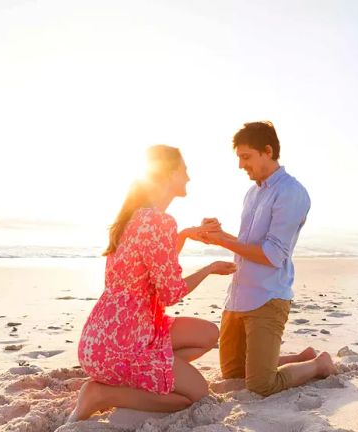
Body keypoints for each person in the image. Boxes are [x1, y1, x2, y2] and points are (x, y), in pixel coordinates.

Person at [67, 145, 236, 421]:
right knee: (195, 395)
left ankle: (154, 374)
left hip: (101, 338)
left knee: (208, 334)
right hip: (127, 342)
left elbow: (152, 267)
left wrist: (183, 236)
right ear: (168, 174)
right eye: (184, 171)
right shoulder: (158, 221)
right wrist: (209, 269)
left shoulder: (133, 217)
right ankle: (102, 394)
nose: (189, 178)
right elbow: (170, 293)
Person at [199, 121, 337, 397]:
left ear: (268, 151)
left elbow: (273, 254)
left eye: (246, 157)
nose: (241, 165)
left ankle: (318, 364)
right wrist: (217, 233)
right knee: (233, 373)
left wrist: (222, 240)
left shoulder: (291, 192)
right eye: (239, 158)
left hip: (267, 297)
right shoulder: (252, 193)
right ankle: (300, 356)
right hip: (238, 296)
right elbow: (246, 245)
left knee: (261, 385)